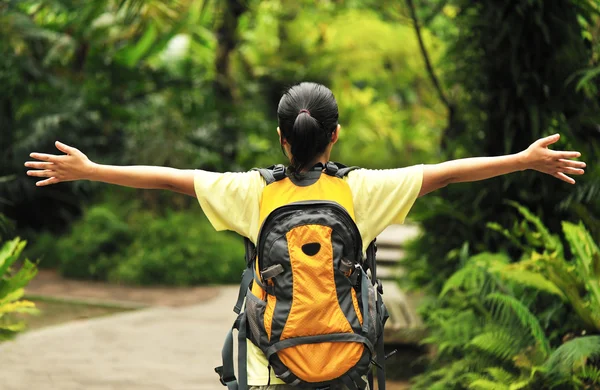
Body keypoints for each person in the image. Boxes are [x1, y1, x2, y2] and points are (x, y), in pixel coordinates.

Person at [25, 82, 585, 390]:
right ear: (335, 136)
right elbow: (449, 170)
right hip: (347, 358)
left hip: (274, 360)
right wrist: (523, 158)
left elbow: (172, 179)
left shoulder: (250, 194)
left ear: (281, 138)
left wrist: (93, 170)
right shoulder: (363, 192)